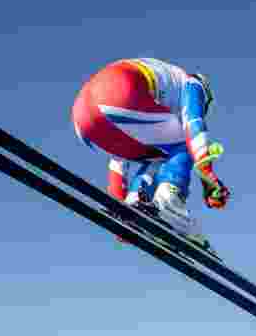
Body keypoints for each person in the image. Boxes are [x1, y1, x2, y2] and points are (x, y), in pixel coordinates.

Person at [71, 58, 230, 252]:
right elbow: (193, 122)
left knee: (160, 153)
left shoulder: (163, 91)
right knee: (184, 142)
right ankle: (169, 206)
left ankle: (136, 202)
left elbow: (118, 163)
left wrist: (120, 211)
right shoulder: (193, 84)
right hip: (117, 91)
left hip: (84, 121)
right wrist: (207, 174)